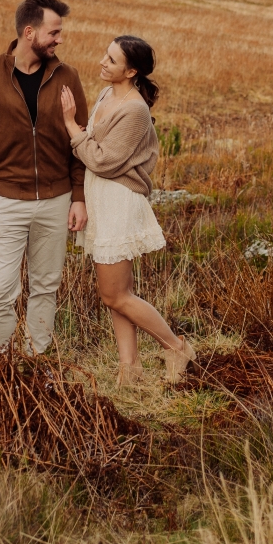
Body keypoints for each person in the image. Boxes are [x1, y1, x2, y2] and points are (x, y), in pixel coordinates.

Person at [59, 35, 196, 386]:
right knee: (118, 295)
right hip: (101, 199)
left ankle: (176, 346)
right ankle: (129, 369)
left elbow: (104, 161)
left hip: (118, 199)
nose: (103, 62)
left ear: (131, 71)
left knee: (115, 294)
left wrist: (72, 126)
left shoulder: (134, 109)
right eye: (105, 54)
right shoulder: (107, 94)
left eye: (112, 59)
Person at [0, 0, 89, 354]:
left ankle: (36, 360)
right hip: (4, 201)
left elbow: (81, 140)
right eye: (54, 32)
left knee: (46, 286)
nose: (60, 39)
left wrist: (78, 196)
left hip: (56, 201)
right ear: (29, 32)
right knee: (0, 289)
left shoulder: (67, 77)